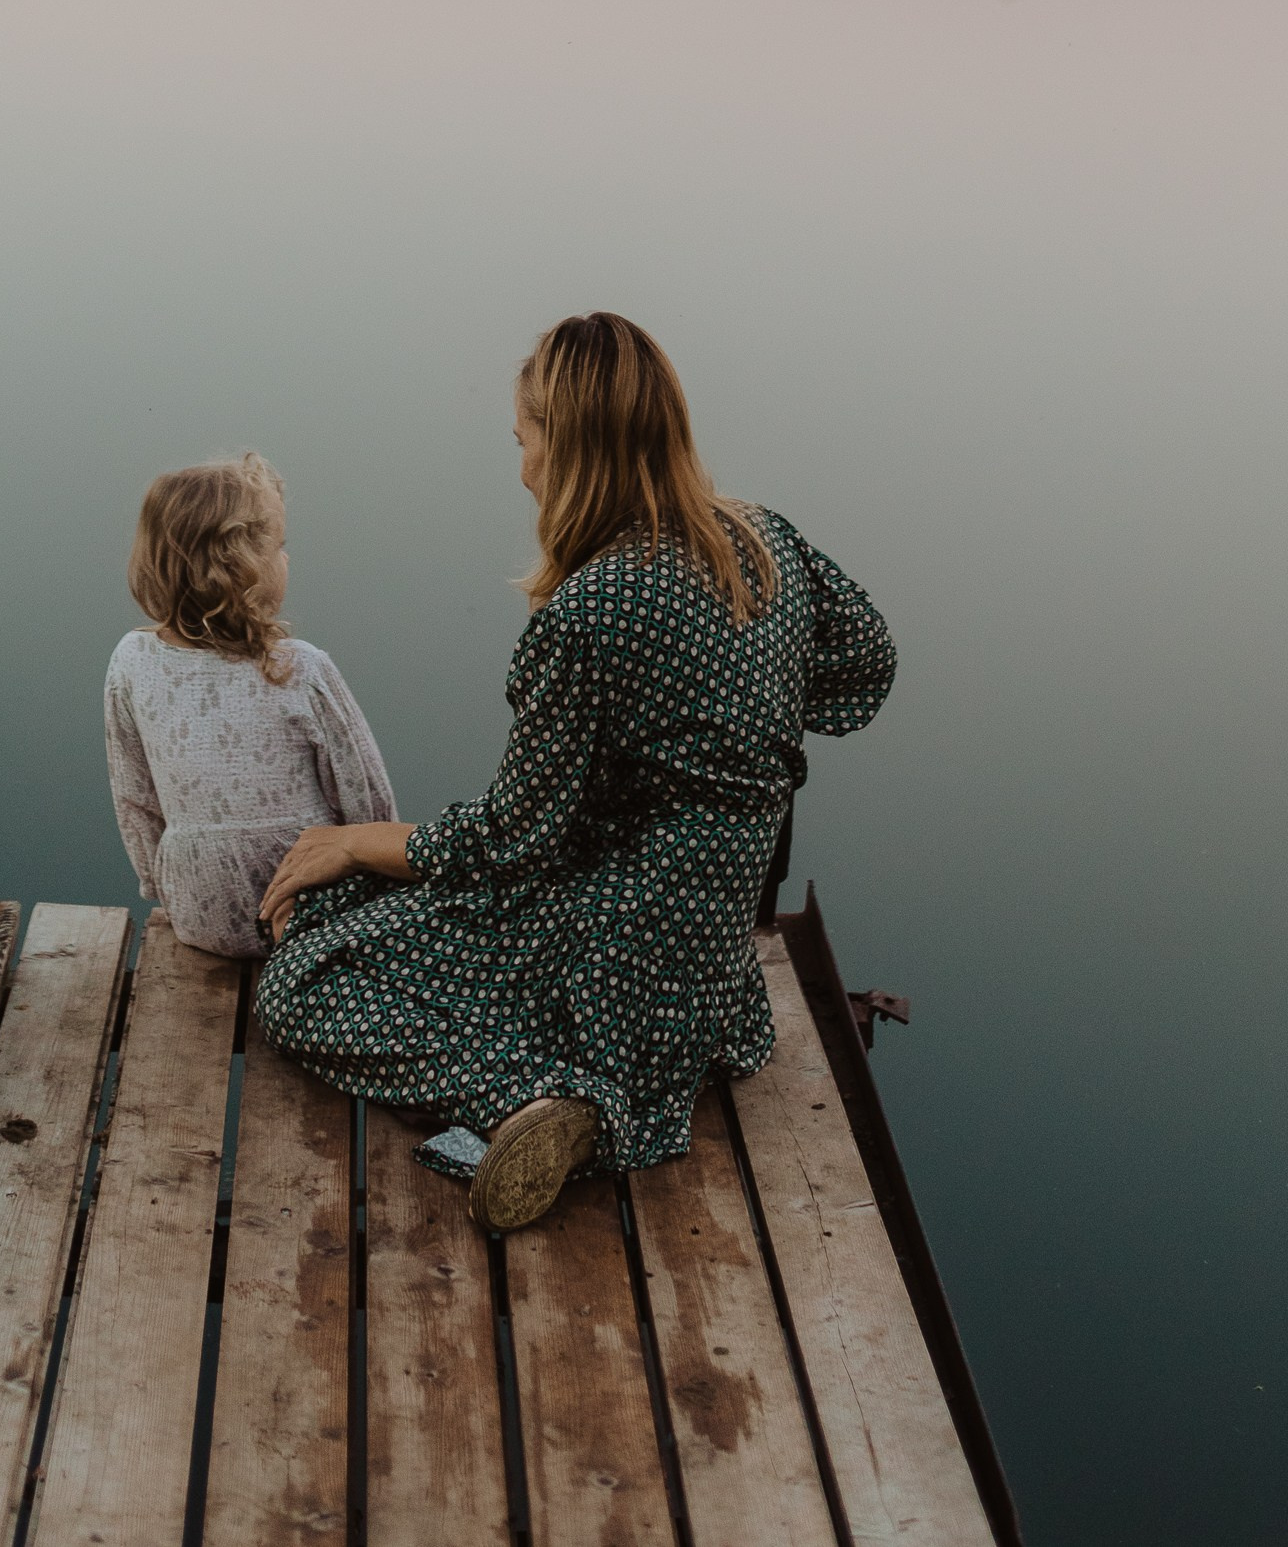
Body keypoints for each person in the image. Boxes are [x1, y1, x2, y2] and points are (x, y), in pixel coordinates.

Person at [255, 312, 895, 1236]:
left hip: (602, 943)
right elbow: (866, 662)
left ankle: (549, 1098)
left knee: (303, 974)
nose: (520, 468)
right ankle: (590, 1085)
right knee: (349, 910)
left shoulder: (592, 611)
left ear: (572, 447)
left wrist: (356, 840)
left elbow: (509, 841)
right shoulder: (764, 540)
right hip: (710, 963)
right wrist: (742, 735)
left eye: (525, 441)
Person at [104, 451, 396, 956]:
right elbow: (366, 796)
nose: (287, 559)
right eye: (279, 547)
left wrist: (160, 885)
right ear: (239, 568)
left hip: (197, 914)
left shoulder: (131, 661)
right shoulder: (303, 668)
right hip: (302, 912)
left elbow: (135, 798)